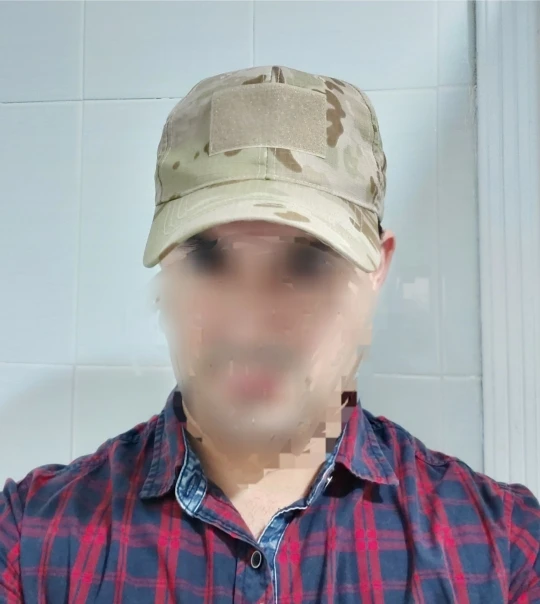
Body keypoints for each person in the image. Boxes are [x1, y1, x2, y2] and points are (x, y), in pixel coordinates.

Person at [1, 65, 539, 604]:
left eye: (307, 265)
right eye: (209, 261)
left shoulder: (506, 551)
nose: (249, 323)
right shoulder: (28, 543)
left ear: (377, 271)